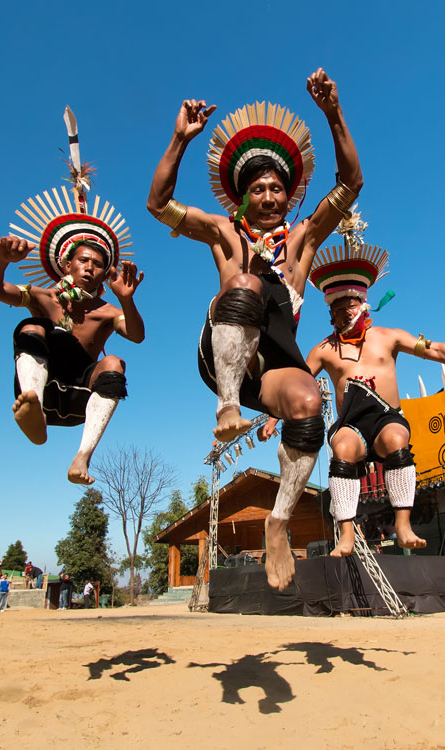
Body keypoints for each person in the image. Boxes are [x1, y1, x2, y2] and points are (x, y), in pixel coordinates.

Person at [146, 69, 363, 591]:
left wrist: (333, 114)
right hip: (224, 353)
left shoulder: (303, 243)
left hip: (273, 366)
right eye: (258, 188)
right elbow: (157, 205)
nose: (268, 196)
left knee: (310, 400)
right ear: (242, 197)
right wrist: (179, 139)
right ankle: (226, 407)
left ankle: (280, 519)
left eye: (277, 189)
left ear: (289, 197)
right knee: (244, 283)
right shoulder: (224, 233)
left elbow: (351, 183)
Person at [265, 236, 445, 556]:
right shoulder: (323, 350)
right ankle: (346, 534)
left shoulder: (387, 337)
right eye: (335, 307)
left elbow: (435, 350)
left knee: (394, 439)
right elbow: (296, 384)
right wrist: (274, 415)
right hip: (352, 422)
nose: (342, 312)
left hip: (387, 416)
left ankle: (403, 525)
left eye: (348, 304)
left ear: (362, 303)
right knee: (341, 446)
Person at [0, 108, 145, 485]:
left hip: (77, 401)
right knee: (33, 326)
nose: (89, 268)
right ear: (67, 264)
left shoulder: (105, 312)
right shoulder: (43, 297)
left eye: (98, 264)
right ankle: (33, 408)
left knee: (116, 361)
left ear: (105, 273)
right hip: (40, 389)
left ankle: (82, 458)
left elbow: (136, 335)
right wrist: (0, 260)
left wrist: (128, 300)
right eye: (83, 260)